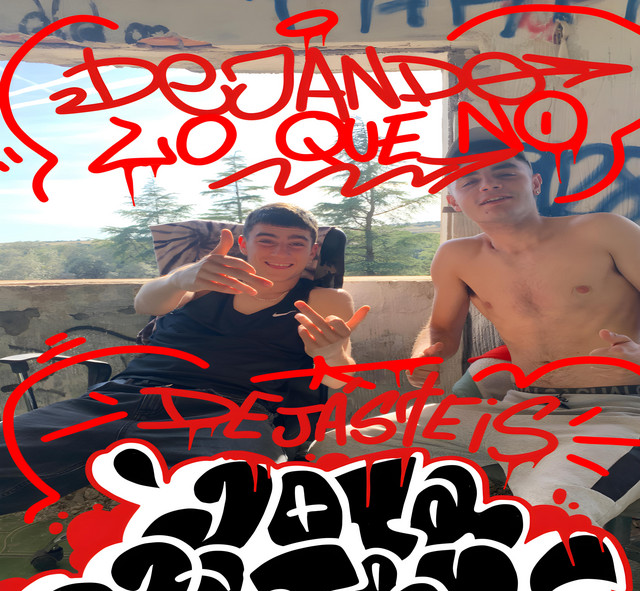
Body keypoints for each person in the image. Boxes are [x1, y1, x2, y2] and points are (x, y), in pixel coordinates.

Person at [311, 129, 640, 526]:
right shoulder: (456, 257)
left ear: (535, 182)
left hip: (618, 410)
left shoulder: (603, 230)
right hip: (518, 407)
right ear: (453, 199)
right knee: (334, 448)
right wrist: (425, 354)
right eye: (469, 181)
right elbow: (441, 331)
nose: (488, 185)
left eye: (505, 173)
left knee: (549, 516)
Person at [0, 203, 368, 514]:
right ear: (244, 244)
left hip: (228, 415)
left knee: (244, 497)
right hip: (120, 398)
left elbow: (339, 379)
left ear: (312, 252)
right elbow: (144, 303)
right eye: (267, 240)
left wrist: (331, 353)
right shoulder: (201, 280)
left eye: (296, 244)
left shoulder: (326, 299)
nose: (281, 252)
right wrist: (178, 280)